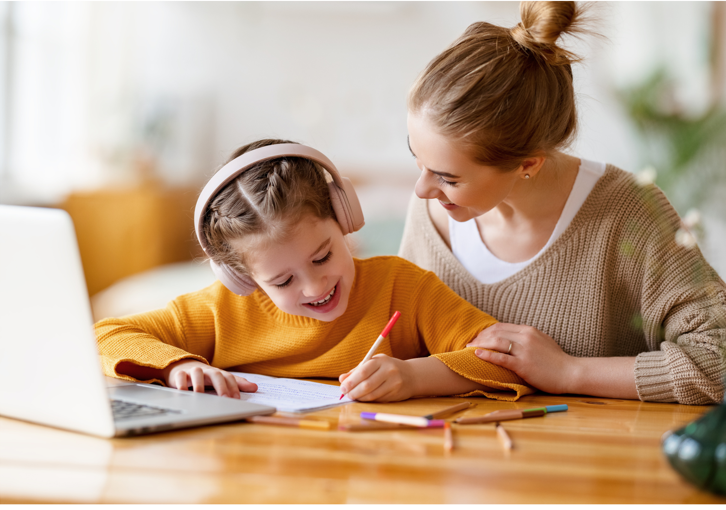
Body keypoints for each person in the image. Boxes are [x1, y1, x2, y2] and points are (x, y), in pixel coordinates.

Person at [398, 1, 726, 405]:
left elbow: (718, 359)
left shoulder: (627, 212)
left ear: (527, 164)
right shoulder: (432, 214)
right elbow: (398, 335)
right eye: (418, 159)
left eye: (448, 178)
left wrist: (570, 371)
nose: (422, 189)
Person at [95, 139, 533, 402]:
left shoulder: (404, 287)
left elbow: (505, 362)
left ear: (345, 219)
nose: (314, 284)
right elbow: (104, 336)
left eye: (322, 256)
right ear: (242, 278)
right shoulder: (221, 308)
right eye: (282, 281)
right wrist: (176, 367)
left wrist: (416, 376)